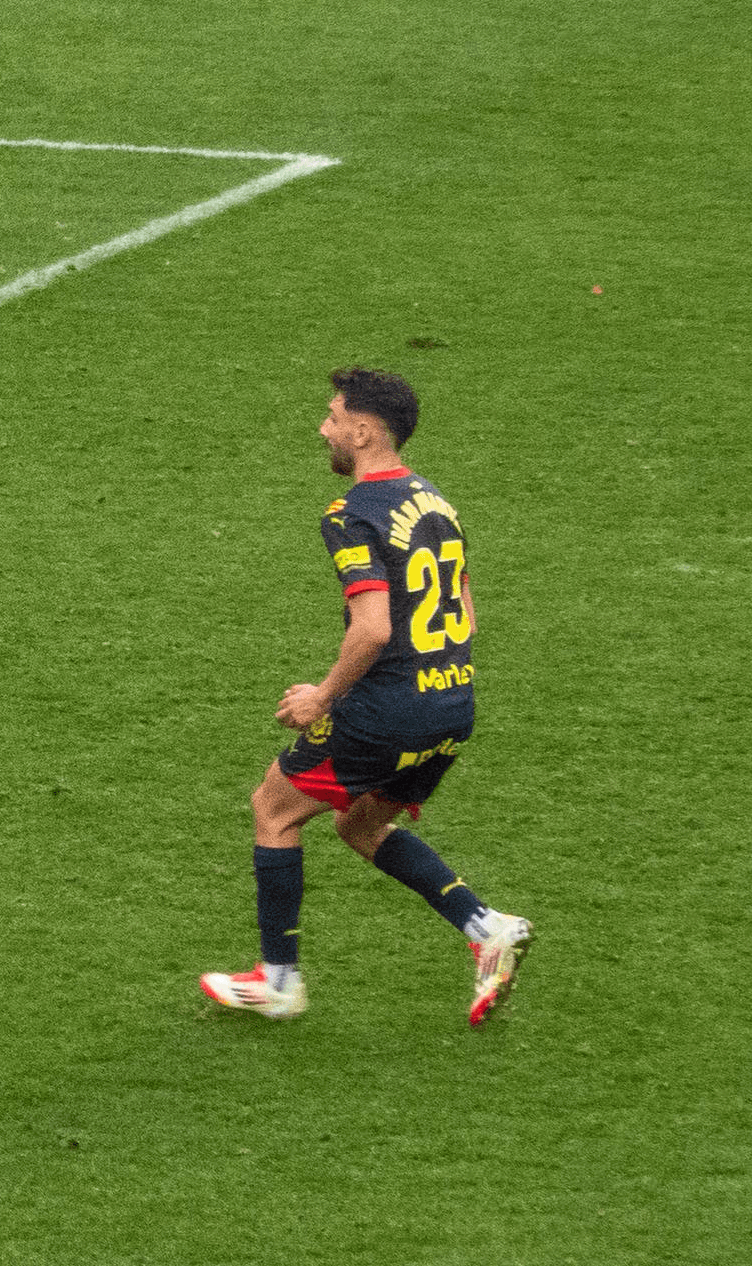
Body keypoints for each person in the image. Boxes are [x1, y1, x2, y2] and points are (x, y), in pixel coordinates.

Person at [199, 369, 533, 1024]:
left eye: (331, 416)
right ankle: (484, 926)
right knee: (360, 823)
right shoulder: (435, 500)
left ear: (363, 429)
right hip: (450, 703)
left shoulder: (351, 513)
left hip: (388, 710)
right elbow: (462, 604)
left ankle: (277, 981)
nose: (323, 428)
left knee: (273, 807)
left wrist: (321, 696)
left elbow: (374, 625)